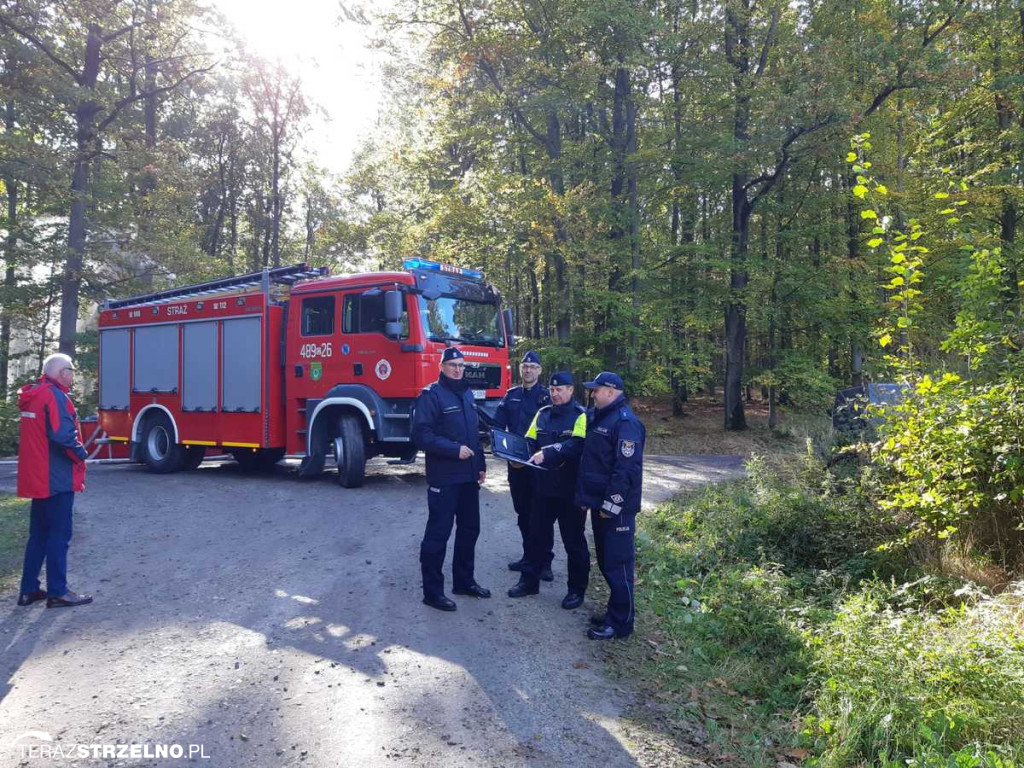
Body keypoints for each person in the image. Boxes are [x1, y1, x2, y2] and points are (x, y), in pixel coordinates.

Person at [412, 347, 491, 611]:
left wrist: (480, 465)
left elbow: (474, 435)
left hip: (469, 478)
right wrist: (453, 449)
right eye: (453, 365)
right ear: (442, 367)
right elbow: (421, 435)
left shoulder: (467, 394)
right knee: (438, 534)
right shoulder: (431, 395)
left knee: (470, 530)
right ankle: (432, 592)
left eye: (461, 365)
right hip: (444, 478)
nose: (458, 369)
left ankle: (464, 582)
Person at [16, 353, 93, 608]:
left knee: (38, 534)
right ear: (61, 373)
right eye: (71, 370)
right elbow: (63, 436)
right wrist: (82, 455)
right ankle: (58, 591)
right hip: (56, 477)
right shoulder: (55, 396)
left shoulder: (33, 394)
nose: (73, 376)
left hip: (38, 477)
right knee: (59, 535)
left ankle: (28, 590)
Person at [508, 372, 589, 609]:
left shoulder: (581, 415)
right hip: (542, 490)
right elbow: (529, 441)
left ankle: (576, 591)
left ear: (571, 390)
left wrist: (549, 453)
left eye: (561, 389)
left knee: (574, 543)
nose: (555, 394)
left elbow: (576, 445)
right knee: (535, 538)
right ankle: (529, 582)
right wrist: (516, 457)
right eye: (553, 390)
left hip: (569, 492)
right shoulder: (542, 414)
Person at [575, 371, 645, 640]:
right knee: (606, 562)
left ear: (611, 392)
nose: (592, 394)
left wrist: (611, 505)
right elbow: (591, 465)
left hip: (617, 511)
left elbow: (625, 470)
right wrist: (586, 500)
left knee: (619, 566)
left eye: (596, 390)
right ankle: (614, 613)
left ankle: (621, 624)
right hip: (599, 506)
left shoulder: (626, 423)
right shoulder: (599, 417)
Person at [492, 350, 552, 581]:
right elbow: (498, 426)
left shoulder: (548, 398)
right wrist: (504, 451)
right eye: (525, 366)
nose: (528, 370)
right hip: (516, 465)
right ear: (521, 370)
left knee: (542, 514)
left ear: (539, 370)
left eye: (532, 367)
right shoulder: (511, 395)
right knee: (523, 513)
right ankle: (529, 557)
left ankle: (544, 562)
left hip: (538, 465)